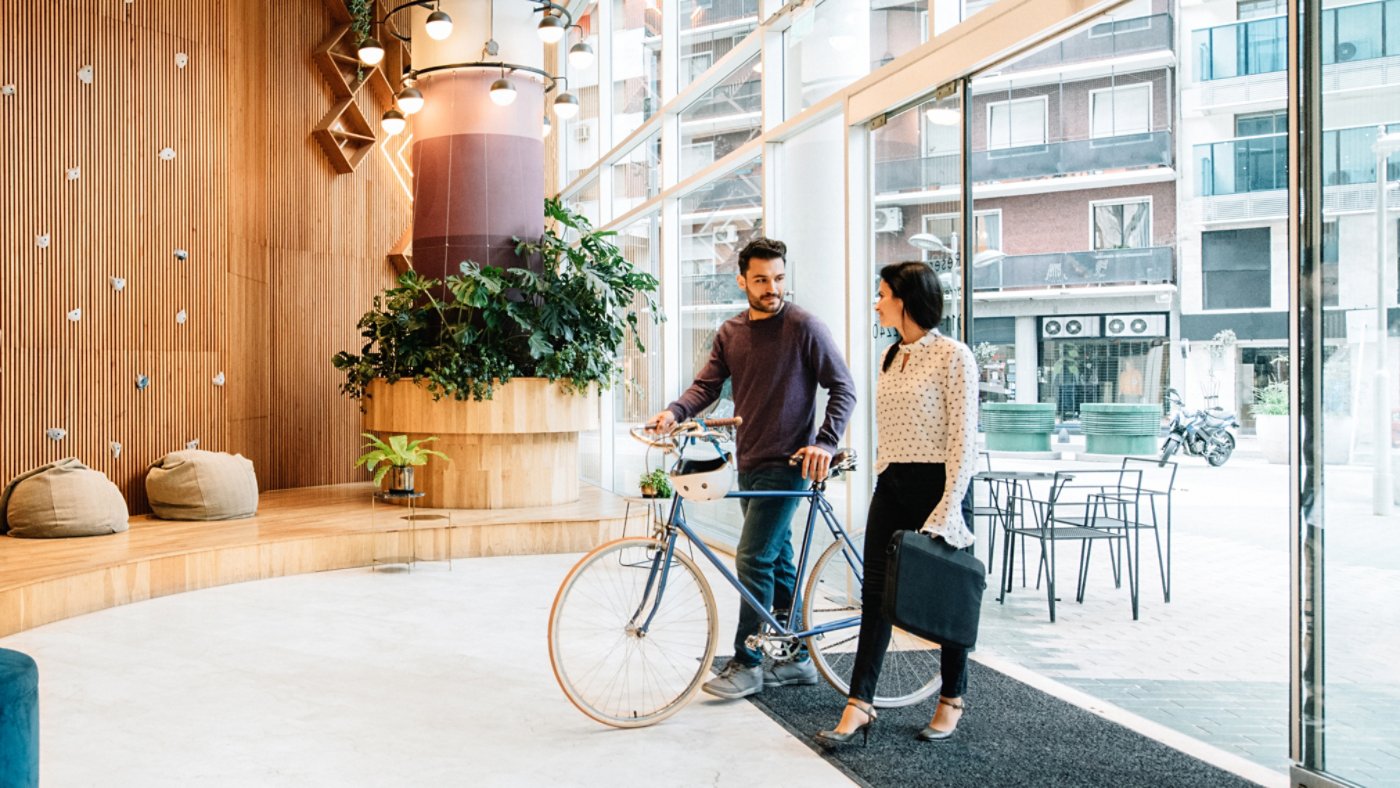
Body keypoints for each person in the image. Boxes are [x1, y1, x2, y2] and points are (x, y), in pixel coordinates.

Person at [648, 236, 856, 700]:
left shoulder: (804, 327)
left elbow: (843, 388)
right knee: (777, 558)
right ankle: (798, 659)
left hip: (790, 464)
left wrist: (824, 443)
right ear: (742, 280)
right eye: (761, 280)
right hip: (750, 461)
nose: (772, 288)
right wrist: (675, 413)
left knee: (753, 557)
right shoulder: (731, 332)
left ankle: (748, 661)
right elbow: (707, 387)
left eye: (779, 278)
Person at [816, 260, 978, 745]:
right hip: (891, 484)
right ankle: (859, 704)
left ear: (905, 299)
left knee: (946, 599)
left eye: (882, 293)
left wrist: (948, 508)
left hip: (940, 487)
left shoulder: (954, 356)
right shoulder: (889, 356)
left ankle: (952, 697)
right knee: (876, 598)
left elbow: (963, 441)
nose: (876, 301)